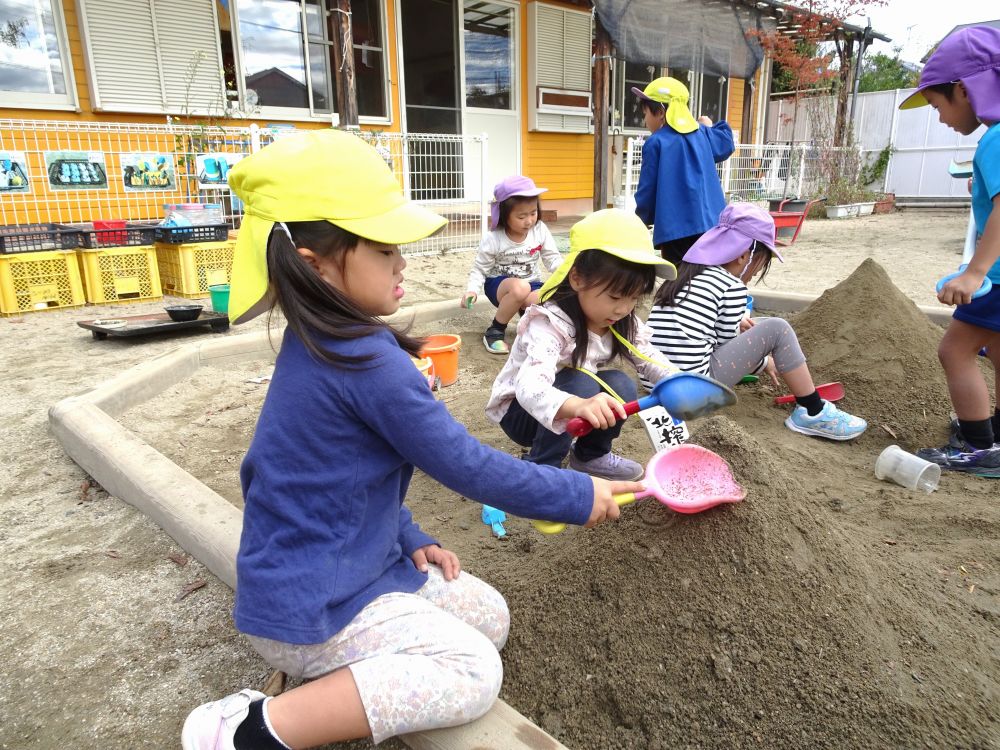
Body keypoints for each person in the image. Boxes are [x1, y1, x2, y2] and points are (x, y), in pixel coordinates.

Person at [180, 130, 642, 750]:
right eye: (383, 248)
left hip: (349, 566)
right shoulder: (365, 363)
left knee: (489, 617)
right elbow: (466, 465)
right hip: (313, 605)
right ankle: (249, 731)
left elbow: (333, 479)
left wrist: (407, 534)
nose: (403, 262)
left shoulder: (327, 342)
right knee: (475, 671)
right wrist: (575, 494)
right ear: (316, 266)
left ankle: (339, 680)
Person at [485, 209, 680, 481]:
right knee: (582, 384)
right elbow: (529, 388)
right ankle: (543, 468)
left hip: (570, 403)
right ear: (577, 278)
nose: (623, 308)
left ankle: (590, 456)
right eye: (614, 296)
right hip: (522, 412)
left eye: (633, 298)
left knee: (621, 385)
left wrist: (677, 383)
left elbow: (647, 355)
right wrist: (577, 405)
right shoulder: (550, 323)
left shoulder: (620, 319)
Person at [645, 203, 867, 442]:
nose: (756, 271)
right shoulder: (730, 285)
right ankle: (812, 410)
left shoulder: (684, 274)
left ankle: (810, 406)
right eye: (761, 262)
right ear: (743, 255)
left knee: (755, 325)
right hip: (692, 394)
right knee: (777, 328)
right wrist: (763, 361)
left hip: (657, 387)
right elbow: (725, 344)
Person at [899, 26, 1000, 476]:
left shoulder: (996, 140)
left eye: (939, 105)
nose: (940, 118)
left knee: (955, 351)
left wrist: (976, 272)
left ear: (964, 88)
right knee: (996, 348)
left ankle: (978, 446)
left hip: (998, 274)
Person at [632, 76, 736, 266]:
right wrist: (708, 125)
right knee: (708, 276)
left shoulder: (656, 143)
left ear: (661, 113)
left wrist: (641, 220)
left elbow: (647, 190)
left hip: (676, 231)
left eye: (646, 113)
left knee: (680, 281)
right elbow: (726, 143)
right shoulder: (703, 134)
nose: (644, 119)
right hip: (712, 226)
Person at [461, 175, 562, 354]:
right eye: (521, 216)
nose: (529, 221)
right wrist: (472, 290)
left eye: (533, 213)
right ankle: (494, 331)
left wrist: (567, 276)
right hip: (499, 286)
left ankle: (529, 329)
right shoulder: (494, 238)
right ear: (503, 215)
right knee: (520, 288)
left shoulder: (539, 230)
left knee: (546, 297)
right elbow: (480, 268)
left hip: (531, 283)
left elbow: (552, 258)